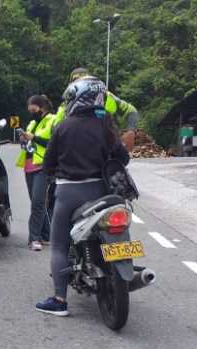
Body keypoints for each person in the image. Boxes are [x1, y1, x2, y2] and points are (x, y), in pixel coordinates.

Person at [36, 76, 130, 316]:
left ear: (77, 98)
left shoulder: (63, 127)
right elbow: (123, 158)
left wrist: (53, 174)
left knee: (58, 245)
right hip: (101, 192)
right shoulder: (107, 126)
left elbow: (48, 164)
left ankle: (59, 300)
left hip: (69, 193)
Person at [53, 67, 139, 151]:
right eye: (77, 81)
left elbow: (131, 111)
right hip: (77, 152)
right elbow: (55, 130)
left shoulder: (106, 96)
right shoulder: (66, 105)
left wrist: (131, 131)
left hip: (106, 151)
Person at [16, 95, 55, 251]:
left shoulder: (53, 120)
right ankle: (46, 235)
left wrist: (34, 138)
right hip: (29, 165)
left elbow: (53, 143)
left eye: (33, 109)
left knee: (37, 203)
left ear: (41, 107)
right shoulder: (32, 123)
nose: (31, 113)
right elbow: (28, 143)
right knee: (37, 202)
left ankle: (34, 238)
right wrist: (24, 140)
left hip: (43, 166)